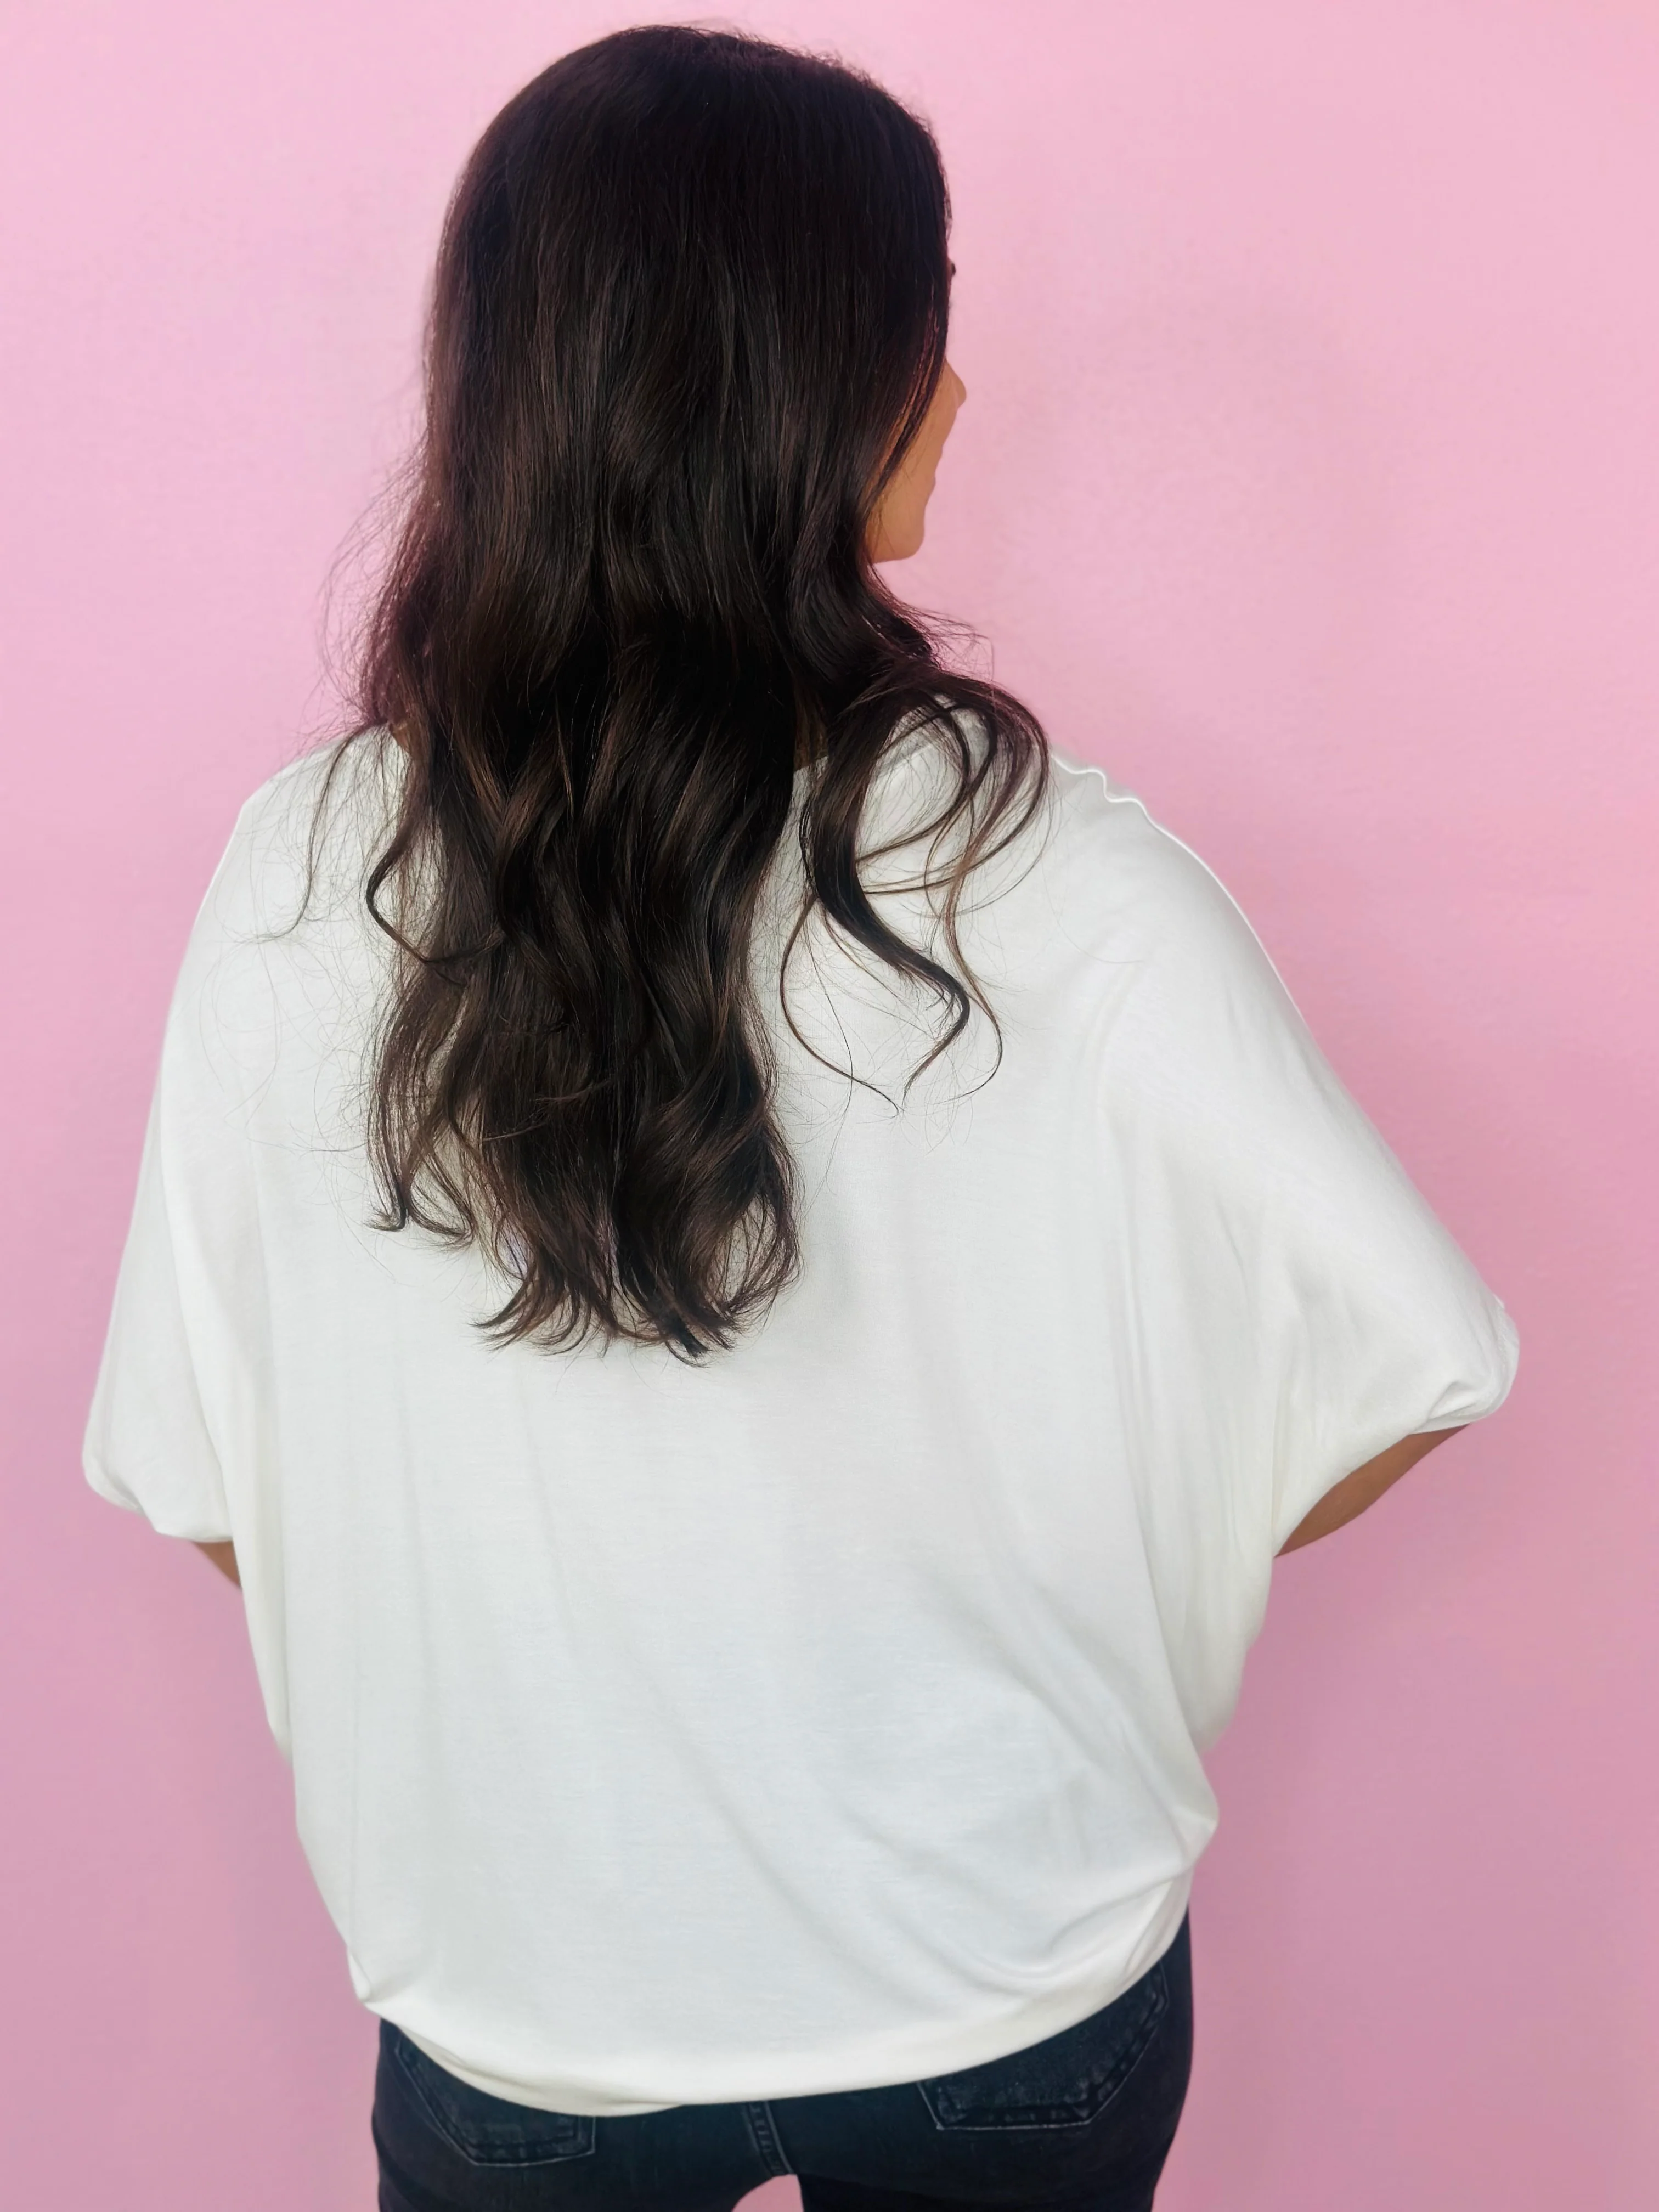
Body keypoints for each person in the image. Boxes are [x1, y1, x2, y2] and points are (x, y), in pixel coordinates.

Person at [82, 26, 1520, 2212]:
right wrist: (1056, 1593)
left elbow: (212, 1474)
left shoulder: (308, 874)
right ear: (812, 389)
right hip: (1003, 1976)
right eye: (925, 325)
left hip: (521, 2003)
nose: (963, 387)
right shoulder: (1059, 875)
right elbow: (1416, 1364)